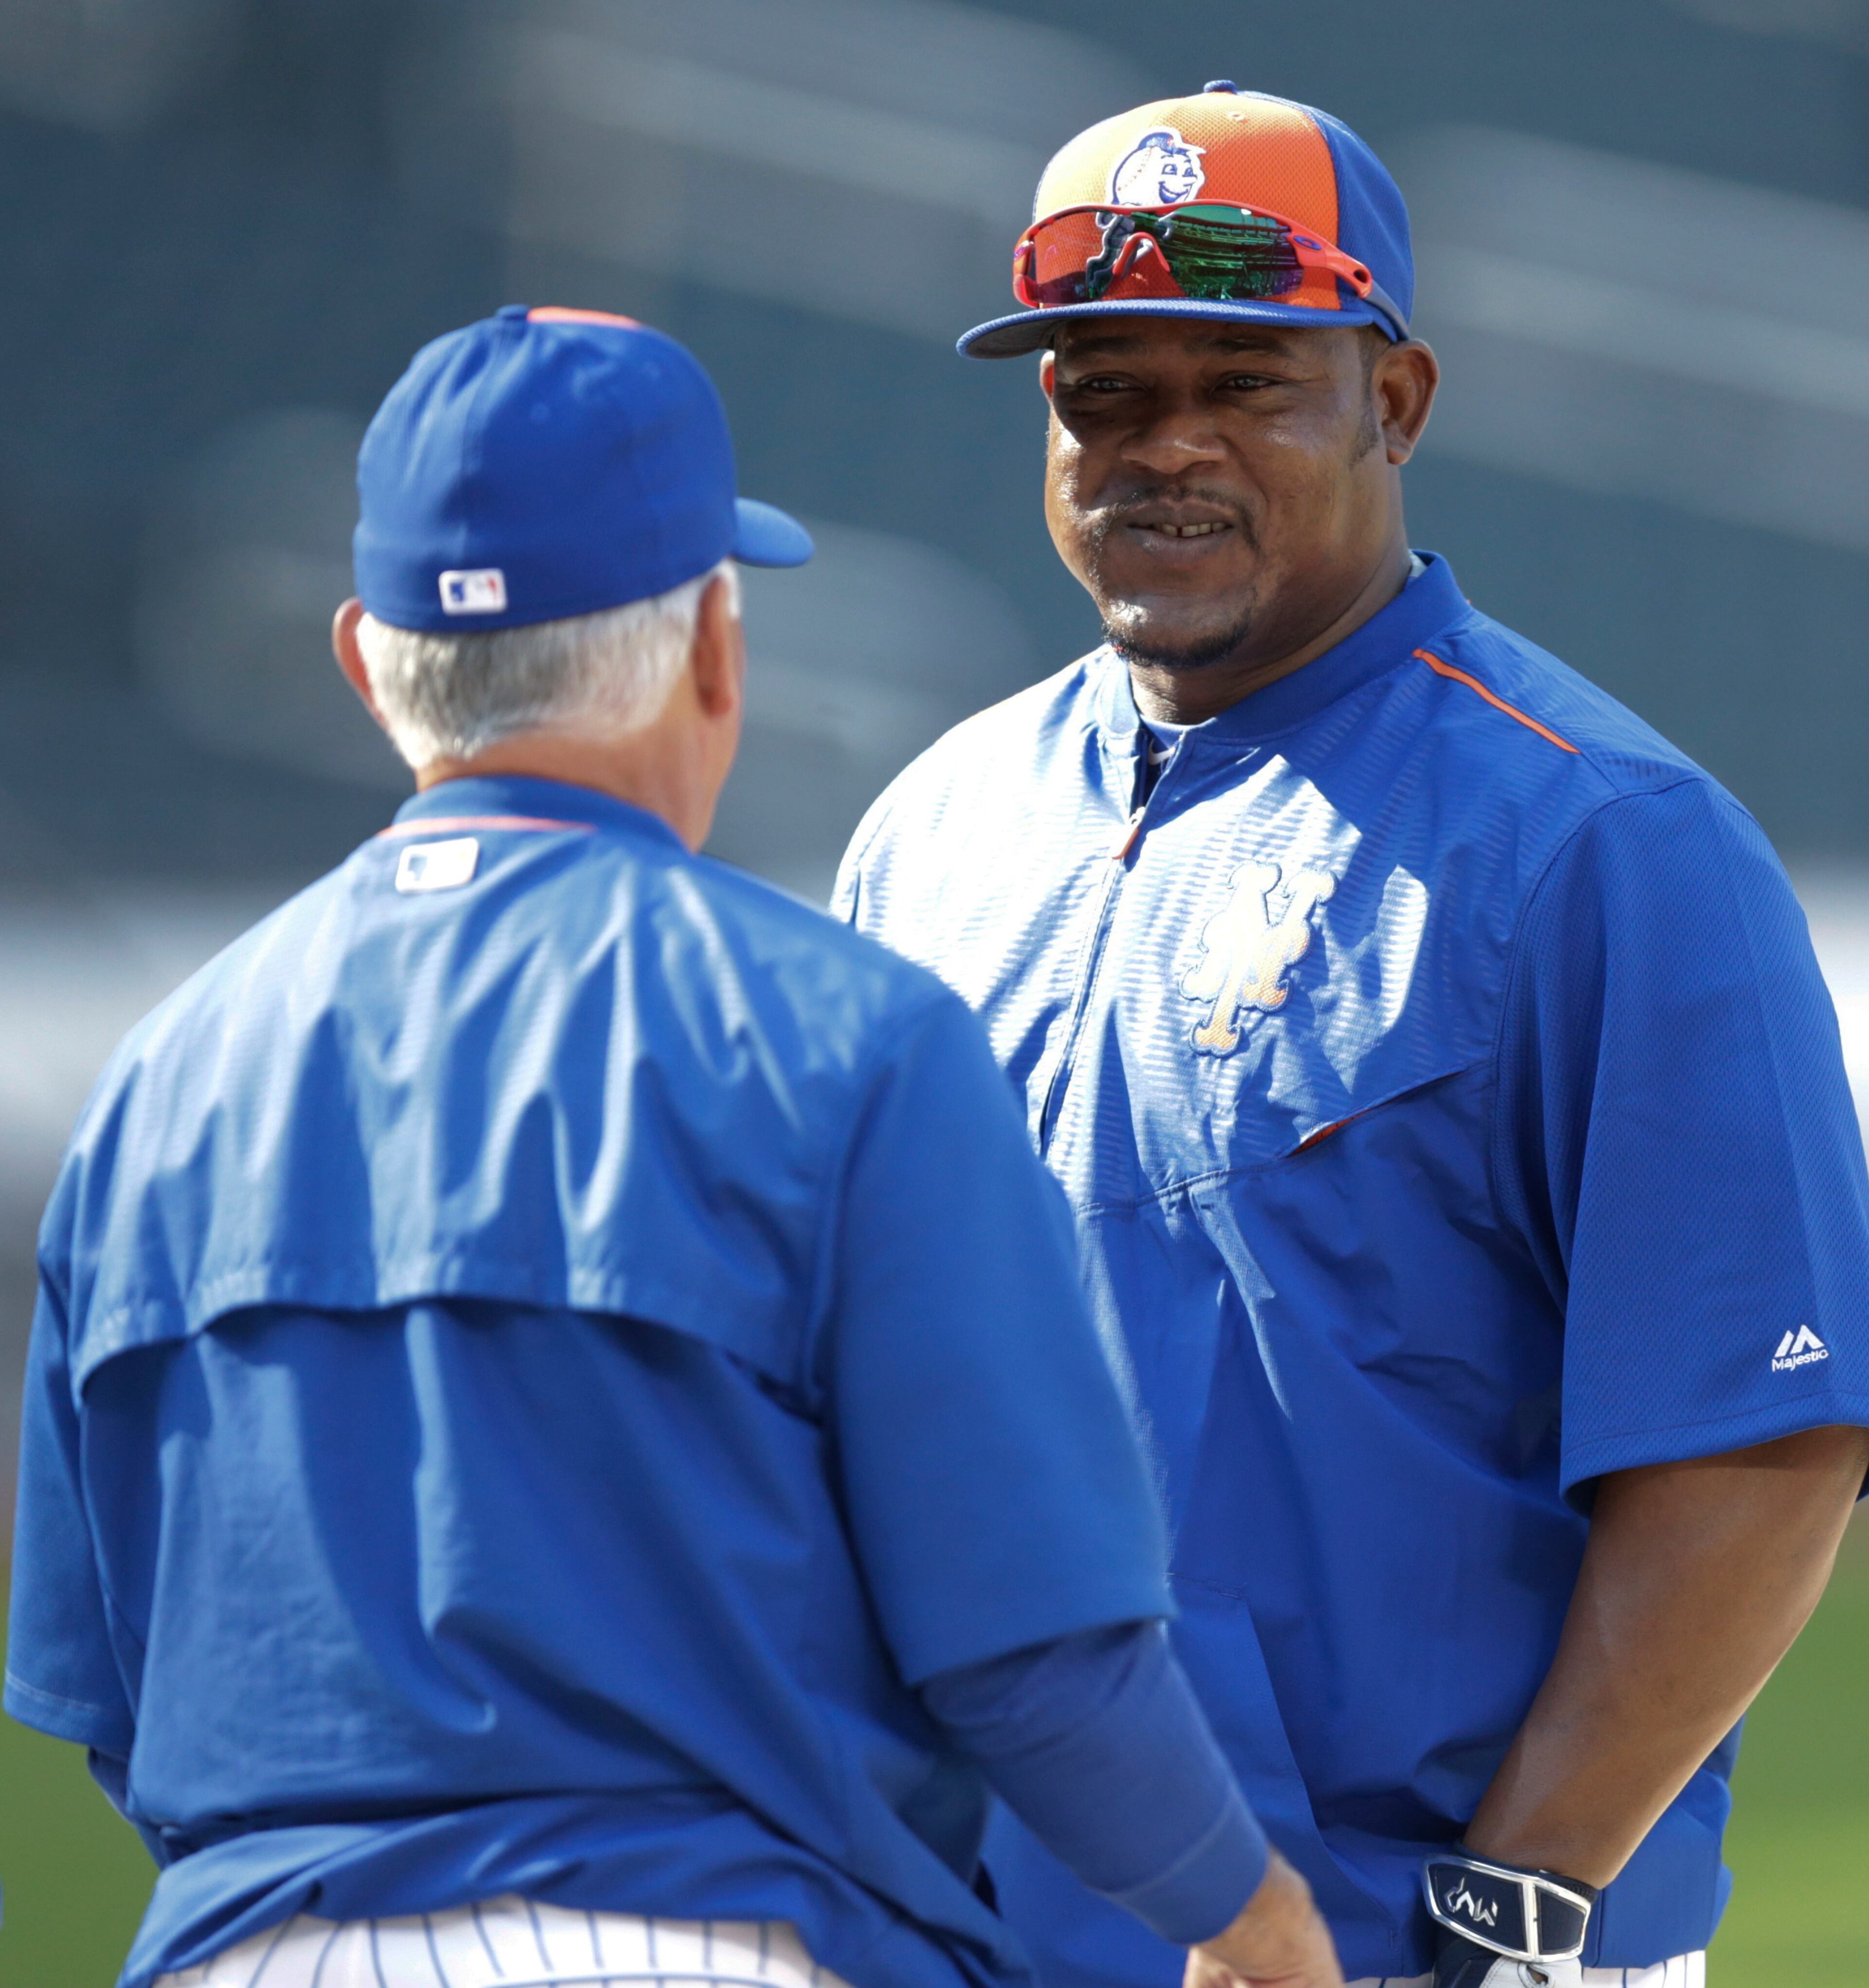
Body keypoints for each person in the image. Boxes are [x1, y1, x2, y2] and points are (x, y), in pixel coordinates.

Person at [4, 307, 1345, 1988]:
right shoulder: (844, 1035)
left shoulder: (151, 1089)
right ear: (718, 645)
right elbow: (1034, 1656)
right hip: (710, 1941)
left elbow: (105, 1697)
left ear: (366, 660)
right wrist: (1253, 1919)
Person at [834, 83, 1869, 1988]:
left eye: (1246, 383)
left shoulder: (1609, 840)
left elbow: (1764, 1438)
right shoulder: (932, 834)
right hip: (1003, 1930)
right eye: (1104, 394)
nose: (1168, 448)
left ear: (1394, 401)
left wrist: (1511, 1910)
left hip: (1428, 1940)